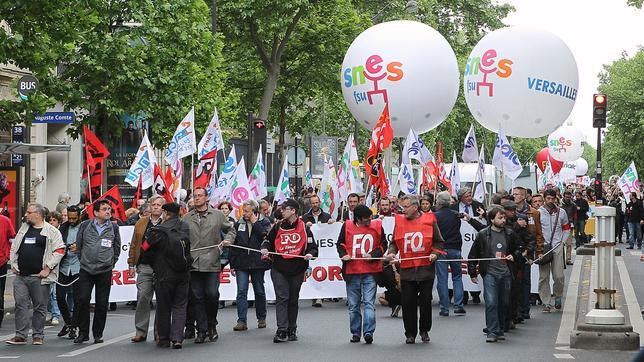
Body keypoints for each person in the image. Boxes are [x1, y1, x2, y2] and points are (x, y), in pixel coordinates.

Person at [385, 194, 444, 344]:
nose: (403, 210)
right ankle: (410, 333)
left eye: (405, 207)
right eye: (402, 207)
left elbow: (439, 242)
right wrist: (391, 252)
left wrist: (434, 254)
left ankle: (424, 330)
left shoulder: (430, 220)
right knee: (408, 303)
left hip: (425, 270)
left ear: (415, 207)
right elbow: (394, 243)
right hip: (407, 270)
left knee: (425, 302)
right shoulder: (399, 221)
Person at [6, 203, 65, 345]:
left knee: (40, 306)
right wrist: (13, 264)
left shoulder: (52, 231)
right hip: (21, 276)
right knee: (20, 304)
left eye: (29, 212)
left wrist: (48, 268)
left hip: (39, 278)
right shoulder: (24, 228)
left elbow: (59, 251)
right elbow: (14, 247)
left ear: (38, 215)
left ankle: (38, 335)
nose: (25, 214)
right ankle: (20, 335)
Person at [261, 199, 318, 343]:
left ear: (293, 210)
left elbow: (313, 247)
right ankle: (281, 330)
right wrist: (265, 248)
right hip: (279, 267)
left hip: (297, 268)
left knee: (293, 299)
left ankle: (292, 328)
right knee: (282, 298)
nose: (281, 211)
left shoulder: (305, 227)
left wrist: (310, 254)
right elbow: (268, 241)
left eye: (284, 208)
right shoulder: (277, 226)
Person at [183, 187, 235, 344]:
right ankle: (202, 330)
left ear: (206, 198)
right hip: (194, 263)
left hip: (212, 261)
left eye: (200, 196)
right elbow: (181, 236)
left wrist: (228, 240)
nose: (197, 198)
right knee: (197, 297)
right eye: (195, 196)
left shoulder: (218, 215)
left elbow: (231, 229)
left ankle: (212, 325)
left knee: (212, 295)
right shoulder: (186, 218)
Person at [142, 202, 192, 349]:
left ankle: (163, 338)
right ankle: (177, 338)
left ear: (166, 213)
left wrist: (154, 264)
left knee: (163, 307)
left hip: (163, 274)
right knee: (180, 306)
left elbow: (145, 249)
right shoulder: (184, 227)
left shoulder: (157, 230)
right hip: (183, 273)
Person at [72, 200, 121, 344]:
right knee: (82, 300)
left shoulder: (114, 227)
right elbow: (79, 246)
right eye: (104, 209)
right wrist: (83, 260)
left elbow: (116, 248)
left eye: (109, 209)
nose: (108, 211)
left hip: (104, 270)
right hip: (86, 269)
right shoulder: (85, 225)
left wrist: (111, 262)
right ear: (95, 212)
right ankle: (83, 333)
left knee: (102, 303)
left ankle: (98, 333)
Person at [337, 205, 387, 344]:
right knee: (353, 306)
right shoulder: (346, 226)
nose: (369, 220)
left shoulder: (377, 225)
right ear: (358, 218)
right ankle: (355, 332)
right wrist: (344, 254)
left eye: (370, 217)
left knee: (369, 303)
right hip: (352, 271)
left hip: (370, 272)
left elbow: (384, 244)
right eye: (366, 219)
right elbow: (340, 243)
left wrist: (373, 255)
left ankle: (368, 332)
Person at [468, 205, 518, 343]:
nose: (503, 220)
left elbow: (518, 250)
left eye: (504, 218)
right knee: (491, 302)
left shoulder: (510, 234)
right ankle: (492, 331)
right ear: (491, 219)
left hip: (506, 273)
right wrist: (472, 272)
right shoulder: (483, 234)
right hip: (490, 273)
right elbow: (473, 255)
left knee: (504, 302)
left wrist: (513, 256)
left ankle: (500, 328)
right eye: (500, 217)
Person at [434, 191, 482, 317]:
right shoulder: (456, 215)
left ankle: (444, 308)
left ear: (438, 202)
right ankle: (459, 306)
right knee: (457, 277)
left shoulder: (435, 216)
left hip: (441, 250)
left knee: (442, 279)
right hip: (455, 248)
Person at [230, 200, 271, 331]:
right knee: (241, 291)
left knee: (259, 290)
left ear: (254, 211)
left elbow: (265, 236)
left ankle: (261, 317)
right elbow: (233, 244)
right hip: (241, 262)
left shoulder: (264, 222)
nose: (244, 213)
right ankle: (242, 321)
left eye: (247, 211)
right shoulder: (238, 224)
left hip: (257, 262)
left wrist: (255, 222)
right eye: (243, 210)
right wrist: (232, 263)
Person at [128, 196, 165, 343]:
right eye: (153, 204)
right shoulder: (141, 222)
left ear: (163, 208)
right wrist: (131, 264)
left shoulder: (167, 223)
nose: (155, 207)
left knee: (162, 300)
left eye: (158, 205)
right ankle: (141, 331)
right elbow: (134, 244)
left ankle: (160, 332)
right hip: (144, 266)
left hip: (163, 268)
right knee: (143, 297)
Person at [537, 188, 571, 313]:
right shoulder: (538, 212)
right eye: (548, 198)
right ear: (544, 198)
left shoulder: (561, 212)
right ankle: (546, 302)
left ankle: (558, 297)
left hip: (557, 246)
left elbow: (567, 228)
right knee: (544, 276)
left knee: (559, 276)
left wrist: (562, 242)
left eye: (553, 198)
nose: (550, 201)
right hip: (543, 247)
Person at [452, 187, 486, 304]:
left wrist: (483, 216)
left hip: (474, 238)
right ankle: (464, 294)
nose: (470, 198)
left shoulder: (478, 205)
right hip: (460, 240)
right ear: (461, 198)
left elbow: (485, 222)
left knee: (474, 262)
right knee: (462, 266)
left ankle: (475, 293)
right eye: (467, 196)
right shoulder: (454, 207)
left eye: (470, 195)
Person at [56, 206, 82, 340]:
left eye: (74, 218)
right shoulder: (63, 228)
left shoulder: (84, 227)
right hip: (64, 266)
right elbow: (57, 244)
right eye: (69, 218)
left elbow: (89, 243)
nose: (71, 220)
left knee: (78, 299)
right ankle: (68, 322)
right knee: (60, 297)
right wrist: (65, 247)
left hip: (78, 266)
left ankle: (74, 327)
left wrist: (79, 247)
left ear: (79, 216)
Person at [0, 212, 16, 328]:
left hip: (1, 262)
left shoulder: (5, 221)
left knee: (0, 293)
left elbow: (12, 238)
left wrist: (8, 255)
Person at [561, 191, 577, 265]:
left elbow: (575, 216)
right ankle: (560, 259)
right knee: (560, 244)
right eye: (566, 197)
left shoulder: (573, 205)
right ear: (563, 196)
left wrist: (574, 224)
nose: (567, 198)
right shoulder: (559, 205)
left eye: (569, 197)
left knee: (569, 244)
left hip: (569, 225)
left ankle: (568, 259)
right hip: (560, 226)